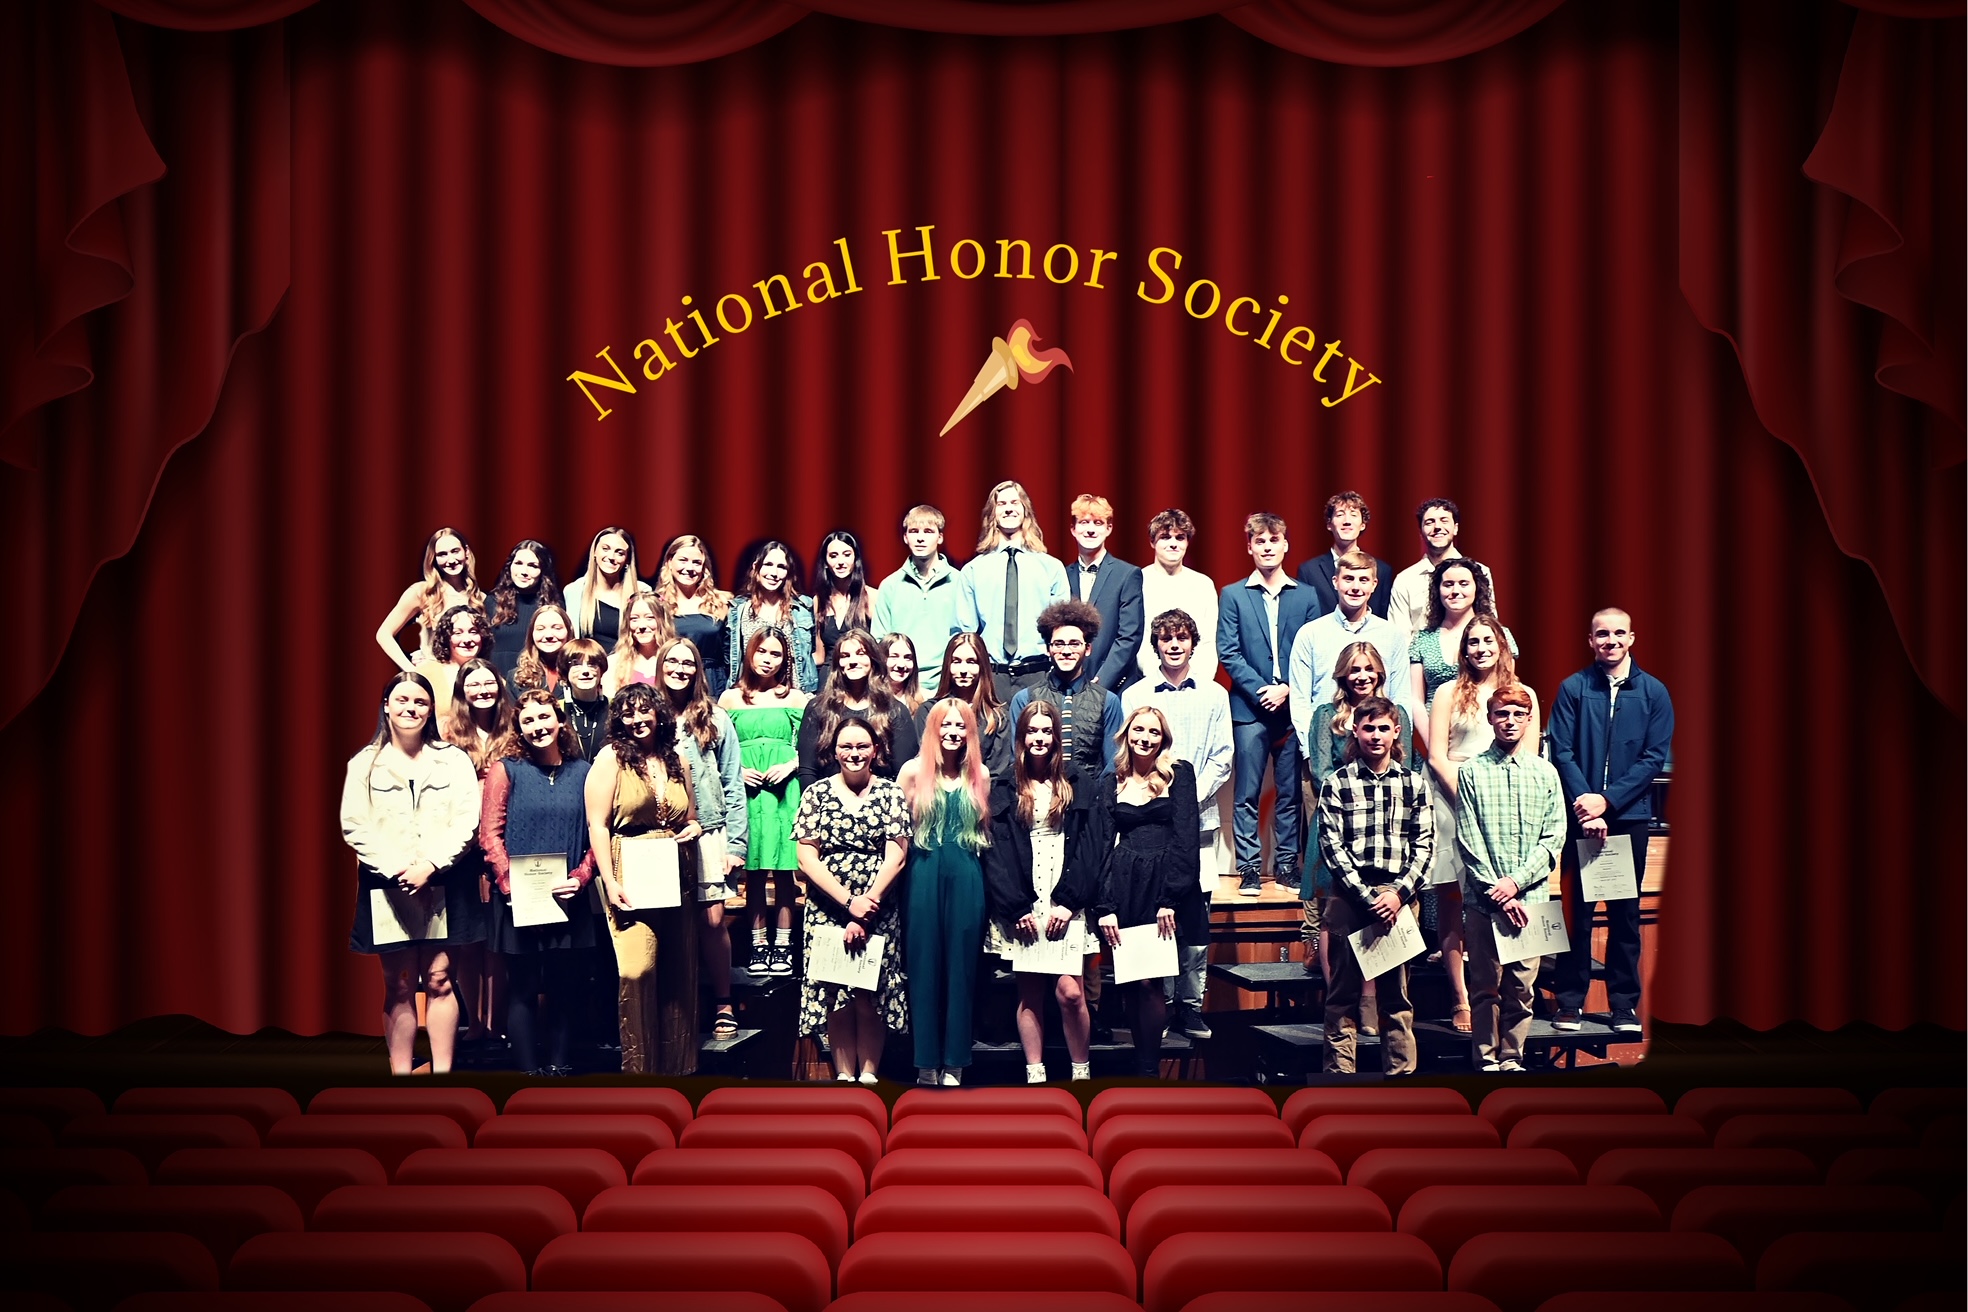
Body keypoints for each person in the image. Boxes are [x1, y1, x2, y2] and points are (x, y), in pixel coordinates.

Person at [341, 671, 484, 1075]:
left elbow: (466, 822)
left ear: (430, 710)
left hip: (444, 880)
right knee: (400, 983)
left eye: (420, 702)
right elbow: (355, 825)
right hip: (386, 885)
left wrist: (430, 866)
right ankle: (400, 1076)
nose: (411, 709)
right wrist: (398, 871)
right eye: (402, 700)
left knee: (440, 978)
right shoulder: (364, 764)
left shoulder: (453, 760)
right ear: (386, 706)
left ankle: (442, 1074)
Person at [1547, 607, 1673, 1035]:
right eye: (1602, 634)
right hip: (1579, 815)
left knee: (1624, 914)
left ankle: (1623, 1007)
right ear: (1590, 640)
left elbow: (1653, 759)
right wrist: (1586, 803)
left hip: (1627, 818)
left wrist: (1607, 801)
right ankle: (1569, 1004)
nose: (1611, 640)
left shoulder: (1654, 692)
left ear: (1632, 638)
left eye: (1619, 633)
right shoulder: (1573, 688)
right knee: (1576, 914)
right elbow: (1561, 751)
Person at [1121, 608, 1233, 1035]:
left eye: (1182, 637)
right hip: (1148, 828)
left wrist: (1182, 797)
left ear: (1192, 644)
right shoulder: (1135, 695)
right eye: (1166, 638)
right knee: (1154, 920)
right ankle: (1161, 1004)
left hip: (1197, 825)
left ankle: (1190, 1004)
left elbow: (1223, 756)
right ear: (1155, 645)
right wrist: (1158, 799)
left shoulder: (1213, 695)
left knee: (1193, 925)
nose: (1174, 644)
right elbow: (1128, 756)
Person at [1427, 614, 1540, 1033]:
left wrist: (1490, 803)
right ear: (1464, 649)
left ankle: (1509, 1000)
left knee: (1503, 890)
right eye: (1472, 642)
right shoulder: (1447, 691)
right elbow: (1437, 754)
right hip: (1450, 797)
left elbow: (1529, 764)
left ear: (1501, 644)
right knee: (1454, 902)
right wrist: (1470, 799)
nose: (1480, 648)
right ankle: (1462, 999)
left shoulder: (1522, 693)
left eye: (1487, 640)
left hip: (1506, 807)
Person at [583, 684, 704, 1074]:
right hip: (628, 872)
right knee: (637, 971)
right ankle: (640, 1073)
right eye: (627, 714)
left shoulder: (676, 760)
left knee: (678, 974)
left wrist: (694, 830)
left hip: (676, 872)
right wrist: (609, 880)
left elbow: (691, 817)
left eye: (643, 712)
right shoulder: (610, 759)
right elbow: (597, 825)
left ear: (659, 714)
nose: (636, 720)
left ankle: (679, 1071)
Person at [479, 689, 597, 1076]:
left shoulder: (584, 772)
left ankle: (560, 1071)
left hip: (569, 898)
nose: (537, 727)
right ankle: (529, 1078)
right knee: (524, 989)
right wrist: (510, 884)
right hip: (517, 899)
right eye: (527, 721)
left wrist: (581, 878)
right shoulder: (506, 768)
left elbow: (599, 835)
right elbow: (490, 834)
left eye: (544, 718)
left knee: (565, 989)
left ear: (560, 721)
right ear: (518, 727)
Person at [984, 701, 1103, 1083]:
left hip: (1064, 896)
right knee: (1030, 991)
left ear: (1056, 737)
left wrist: (1069, 901)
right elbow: (995, 849)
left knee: (1070, 992)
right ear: (1021, 737)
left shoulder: (1078, 781)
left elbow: (1092, 844)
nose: (1039, 738)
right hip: (1024, 898)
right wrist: (1015, 906)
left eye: (1046, 731)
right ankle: (1035, 1073)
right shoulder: (1004, 784)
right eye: (1032, 731)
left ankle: (1080, 1071)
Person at [1317, 696, 1434, 1075]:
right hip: (1353, 898)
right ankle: (1340, 1080)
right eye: (1368, 728)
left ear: (1397, 731)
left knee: (1397, 997)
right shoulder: (1337, 784)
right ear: (1355, 730)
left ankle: (1401, 1077)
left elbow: (1425, 845)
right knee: (1342, 997)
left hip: (1398, 900)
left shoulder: (1413, 784)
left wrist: (1397, 895)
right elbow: (1331, 847)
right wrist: (1369, 898)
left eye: (1384, 728)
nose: (1376, 736)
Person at [792, 718, 911, 1082]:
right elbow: (805, 857)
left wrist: (867, 905)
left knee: (869, 992)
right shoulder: (816, 794)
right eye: (847, 746)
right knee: (835, 991)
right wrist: (848, 903)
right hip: (828, 908)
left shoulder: (891, 793)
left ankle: (871, 1074)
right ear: (834, 750)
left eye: (862, 746)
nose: (854, 753)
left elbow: (898, 856)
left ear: (875, 750)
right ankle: (844, 1075)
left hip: (878, 908)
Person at [1455, 686, 1565, 1072]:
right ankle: (1484, 1055)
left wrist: (1517, 884)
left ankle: (1511, 1056)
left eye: (1519, 714)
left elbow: (1554, 838)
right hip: (1485, 899)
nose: (1510, 721)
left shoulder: (1545, 773)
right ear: (1490, 718)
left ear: (1529, 718)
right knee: (1485, 985)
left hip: (1530, 898)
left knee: (1521, 986)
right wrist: (1499, 891)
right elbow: (1468, 839)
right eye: (1503, 714)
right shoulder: (1470, 772)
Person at [1096, 706, 1202, 1078]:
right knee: (1129, 980)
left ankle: (1149, 1066)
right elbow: (1104, 843)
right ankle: (1139, 1063)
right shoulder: (1111, 781)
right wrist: (1105, 904)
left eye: (1154, 732)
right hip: (1125, 885)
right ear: (1127, 734)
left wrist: (1169, 899)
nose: (1145, 738)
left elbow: (1186, 837)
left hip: (1164, 886)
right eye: (1138, 730)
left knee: (1152, 981)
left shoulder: (1179, 774)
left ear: (1163, 738)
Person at [652, 636, 749, 1040]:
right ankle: (678, 1006)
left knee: (711, 920)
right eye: (671, 662)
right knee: (670, 921)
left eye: (687, 662)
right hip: (658, 834)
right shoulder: (648, 714)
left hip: (709, 830)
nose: (679, 669)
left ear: (697, 670)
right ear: (660, 667)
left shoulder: (714, 718)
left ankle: (723, 1001)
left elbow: (733, 782)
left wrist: (736, 844)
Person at [1219, 512, 1319, 897]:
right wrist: (1264, 690)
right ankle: (1247, 868)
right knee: (1246, 792)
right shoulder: (1233, 594)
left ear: (1285, 545)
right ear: (1249, 547)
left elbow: (1310, 652)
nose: (1267, 548)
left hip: (1293, 709)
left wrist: (1289, 690)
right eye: (1259, 542)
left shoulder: (1306, 595)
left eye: (1273, 541)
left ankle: (1287, 866)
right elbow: (1229, 652)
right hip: (1250, 707)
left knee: (1290, 793)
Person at [1302, 643, 1415, 983]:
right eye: (1354, 669)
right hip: (1338, 818)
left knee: (1379, 911)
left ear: (1380, 672)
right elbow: (1321, 770)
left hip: (1387, 823)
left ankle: (1374, 1000)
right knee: (1332, 912)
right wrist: (1353, 796)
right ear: (1343, 675)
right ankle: (1335, 995)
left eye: (1368, 668)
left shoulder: (1396, 714)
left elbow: (1405, 764)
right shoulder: (1326, 714)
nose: (1362, 676)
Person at [898, 699, 993, 1086]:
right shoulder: (911, 773)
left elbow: (986, 834)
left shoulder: (980, 774)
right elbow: (898, 832)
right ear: (933, 730)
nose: (953, 733)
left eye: (961, 727)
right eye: (946, 725)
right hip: (922, 873)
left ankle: (954, 1060)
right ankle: (925, 1061)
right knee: (922, 968)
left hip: (967, 875)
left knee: (961, 969)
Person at [718, 628, 809, 976]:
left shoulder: (797, 699)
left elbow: (812, 747)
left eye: (775, 654)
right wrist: (737, 770)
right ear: (749, 654)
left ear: (785, 659)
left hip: (784, 793)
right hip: (747, 794)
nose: (767, 660)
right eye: (762, 652)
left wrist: (791, 765)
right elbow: (719, 748)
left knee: (785, 873)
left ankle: (784, 944)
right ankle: (758, 945)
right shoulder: (730, 699)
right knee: (753, 874)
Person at [1290, 549, 1418, 732]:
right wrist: (1312, 751)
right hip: (1325, 743)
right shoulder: (1310, 634)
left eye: (1363, 580)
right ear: (1335, 582)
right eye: (1348, 579)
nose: (1356, 587)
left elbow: (1401, 699)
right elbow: (1300, 702)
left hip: (1377, 744)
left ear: (1374, 585)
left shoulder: (1392, 635)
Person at [962, 479, 1068, 700]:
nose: (1009, 508)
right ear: (993, 513)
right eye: (1001, 504)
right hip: (991, 675)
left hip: (1038, 673)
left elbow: (1061, 628)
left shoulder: (1051, 567)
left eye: (1015, 502)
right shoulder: (973, 569)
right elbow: (966, 632)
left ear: (1025, 511)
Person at [1008, 599, 1124, 780]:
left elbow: (1113, 763)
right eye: (1059, 644)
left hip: (1091, 801)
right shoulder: (1025, 699)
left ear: (1087, 649)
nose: (1066, 651)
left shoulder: (1108, 701)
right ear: (1048, 649)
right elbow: (1017, 759)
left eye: (1074, 643)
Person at [1407, 558, 1514, 751]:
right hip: (1433, 740)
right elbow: (1415, 700)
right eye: (1448, 584)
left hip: (1484, 737)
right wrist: (1434, 744)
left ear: (1477, 588)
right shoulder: (1423, 639)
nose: (1455, 591)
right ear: (1438, 590)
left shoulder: (1500, 635)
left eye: (1463, 583)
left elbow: (1507, 689)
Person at [872, 504, 974, 698]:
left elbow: (968, 637)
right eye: (914, 531)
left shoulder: (960, 582)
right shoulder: (890, 585)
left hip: (948, 687)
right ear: (905, 537)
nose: (920, 538)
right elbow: (880, 642)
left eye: (928, 531)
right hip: (902, 688)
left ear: (940, 537)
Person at [798, 628, 919, 788]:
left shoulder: (895, 710)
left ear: (873, 659)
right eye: (845, 656)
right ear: (838, 664)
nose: (852, 661)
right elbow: (807, 770)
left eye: (860, 654)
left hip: (881, 805)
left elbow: (903, 773)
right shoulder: (818, 708)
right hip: (829, 804)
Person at [1064, 493, 1145, 693]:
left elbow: (1129, 636)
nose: (1090, 529)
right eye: (1084, 522)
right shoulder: (1061, 575)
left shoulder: (1127, 574)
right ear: (1073, 529)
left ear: (1108, 529)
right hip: (1068, 686)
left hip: (1115, 687)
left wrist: (1101, 682)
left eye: (1098, 523)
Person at [375, 527, 486, 671]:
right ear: (433, 559)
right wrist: (411, 670)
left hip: (469, 680)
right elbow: (384, 633)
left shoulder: (479, 598)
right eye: (442, 554)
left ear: (466, 552)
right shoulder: (422, 592)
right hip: (435, 679)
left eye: (455, 551)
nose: (451, 560)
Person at [1388, 499, 1497, 640]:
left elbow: (1490, 623)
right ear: (1420, 531)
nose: (1437, 527)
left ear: (1456, 528)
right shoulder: (1405, 579)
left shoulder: (1480, 572)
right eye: (1429, 522)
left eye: (1444, 520)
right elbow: (1400, 636)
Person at [1136, 509, 1219, 686]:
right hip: (1147, 681)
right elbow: (1139, 638)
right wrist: (1155, 680)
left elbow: (1208, 640)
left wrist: (1199, 681)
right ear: (1152, 542)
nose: (1173, 544)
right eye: (1165, 537)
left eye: (1180, 537)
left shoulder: (1203, 584)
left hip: (1195, 682)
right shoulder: (1137, 582)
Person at [725, 540, 819, 694]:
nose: (774, 573)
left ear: (789, 573)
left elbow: (813, 654)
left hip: (794, 696)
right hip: (749, 697)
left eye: (781, 567)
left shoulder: (802, 608)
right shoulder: (738, 610)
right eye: (768, 564)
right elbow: (731, 659)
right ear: (756, 567)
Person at [919, 631, 1014, 781]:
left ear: (982, 666)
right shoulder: (928, 710)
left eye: (971, 662)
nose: (963, 670)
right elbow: (923, 761)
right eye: (956, 661)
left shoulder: (998, 718)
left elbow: (996, 774)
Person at [655, 535, 732, 699]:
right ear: (669, 562)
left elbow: (730, 652)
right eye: (683, 560)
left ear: (704, 567)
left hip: (712, 682)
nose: (689, 568)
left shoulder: (721, 602)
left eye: (696, 562)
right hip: (672, 679)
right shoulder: (658, 604)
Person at [1296, 491, 1394, 619]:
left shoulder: (1382, 570)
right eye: (1340, 515)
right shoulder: (1309, 571)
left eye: (1353, 515)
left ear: (1362, 525)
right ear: (1329, 525)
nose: (1347, 521)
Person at [485, 540, 563, 682]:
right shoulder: (492, 602)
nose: (524, 572)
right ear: (510, 566)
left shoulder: (554, 606)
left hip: (534, 681)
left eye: (532, 566)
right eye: (518, 563)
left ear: (542, 571)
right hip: (496, 681)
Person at [564, 526, 653, 650]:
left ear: (627, 559)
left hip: (627, 665)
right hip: (589, 666)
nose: (611, 556)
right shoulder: (575, 591)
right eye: (605, 549)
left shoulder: (641, 592)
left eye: (619, 553)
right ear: (594, 552)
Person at [812, 529, 880, 686]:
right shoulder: (818, 600)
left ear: (855, 558)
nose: (840, 561)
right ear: (826, 563)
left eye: (846, 554)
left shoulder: (871, 597)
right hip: (829, 680)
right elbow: (820, 656)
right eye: (833, 556)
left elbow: (880, 650)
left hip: (862, 679)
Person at [412, 604, 490, 726]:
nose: (467, 639)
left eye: (473, 632)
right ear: (446, 637)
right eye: (457, 633)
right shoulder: (426, 673)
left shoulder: (492, 676)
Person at [444, 657, 517, 772]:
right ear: (461, 690)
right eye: (474, 685)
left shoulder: (515, 726)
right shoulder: (448, 730)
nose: (483, 691)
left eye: (490, 683)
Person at [604, 593, 672, 696]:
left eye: (649, 618)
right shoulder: (614, 663)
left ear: (662, 620)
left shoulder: (674, 661)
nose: (642, 626)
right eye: (634, 619)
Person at [559, 639, 611, 761]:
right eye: (576, 664)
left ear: (601, 670)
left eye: (592, 664)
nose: (586, 671)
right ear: (565, 671)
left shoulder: (616, 707)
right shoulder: (556, 710)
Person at [511, 603, 574, 695]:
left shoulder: (582, 672)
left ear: (569, 632)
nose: (548, 635)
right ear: (531, 635)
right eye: (540, 629)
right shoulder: (515, 677)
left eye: (557, 628)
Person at [877, 632, 924, 715]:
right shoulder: (868, 700)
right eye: (894, 657)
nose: (901, 665)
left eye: (907, 658)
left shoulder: (924, 700)